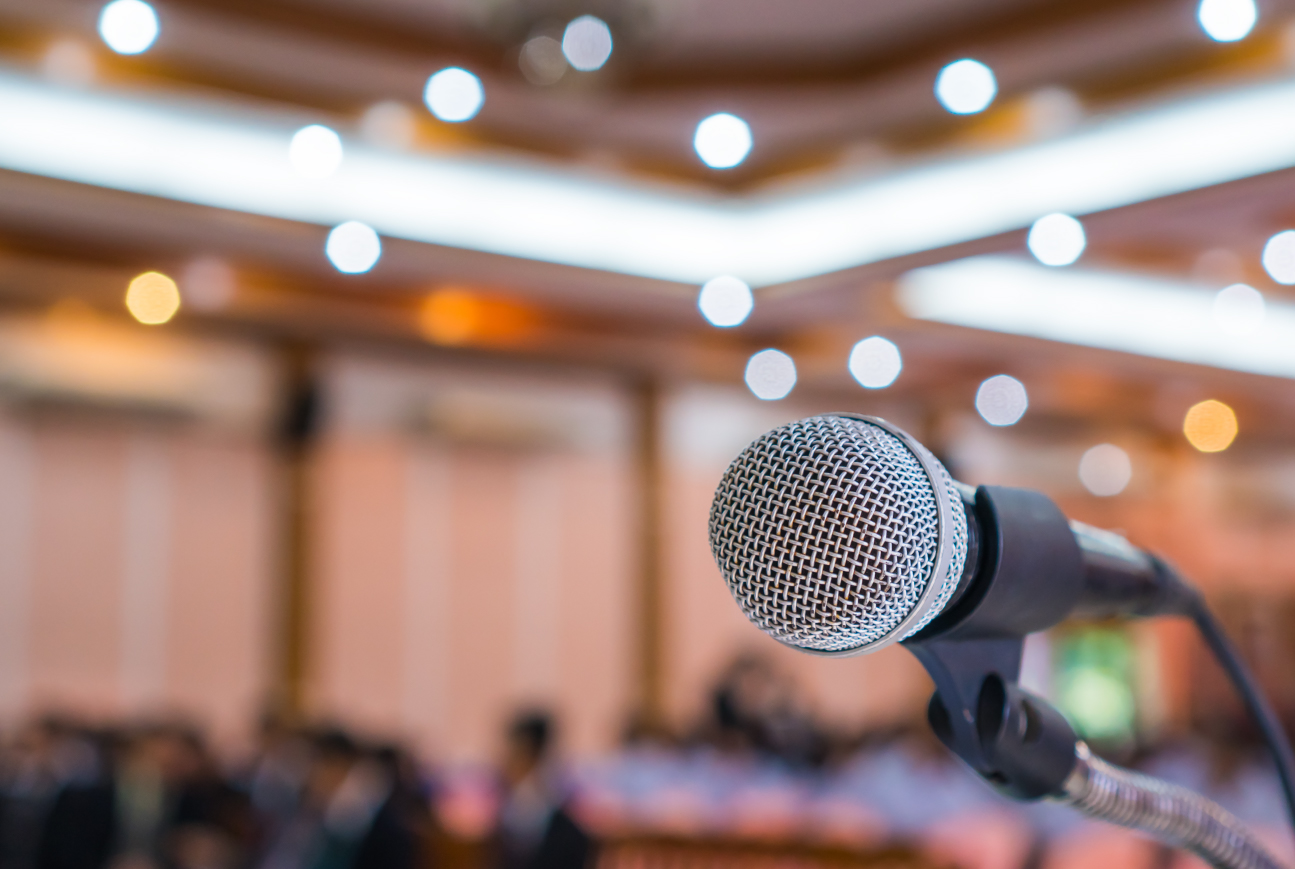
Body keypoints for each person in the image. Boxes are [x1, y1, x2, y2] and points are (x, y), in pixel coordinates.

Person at [492, 711, 592, 869]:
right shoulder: (507, 814)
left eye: (514, 751)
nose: (504, 760)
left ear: (529, 753)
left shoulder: (564, 831)